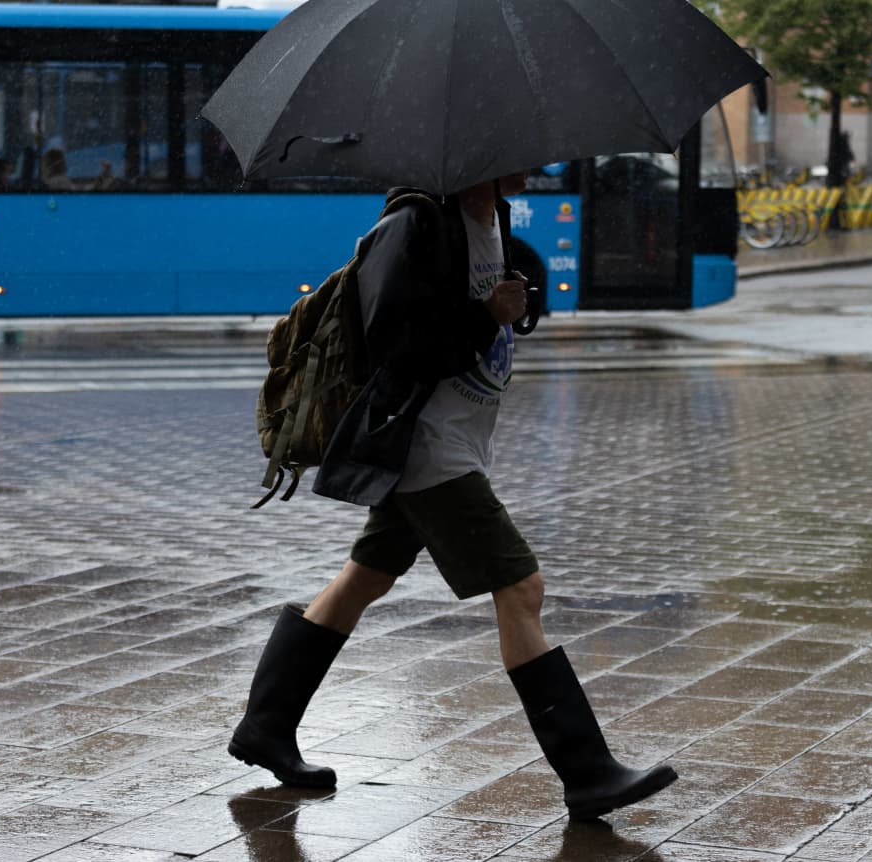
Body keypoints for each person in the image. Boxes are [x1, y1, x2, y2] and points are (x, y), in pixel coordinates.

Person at [228, 172, 679, 820]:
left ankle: (265, 726)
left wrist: (513, 305)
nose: (531, 165)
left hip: (453, 438)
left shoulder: (493, 216)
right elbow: (395, 342)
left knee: (363, 579)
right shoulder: (413, 224)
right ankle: (586, 771)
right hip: (426, 446)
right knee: (520, 588)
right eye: (515, 150)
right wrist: (482, 316)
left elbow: (472, 320)